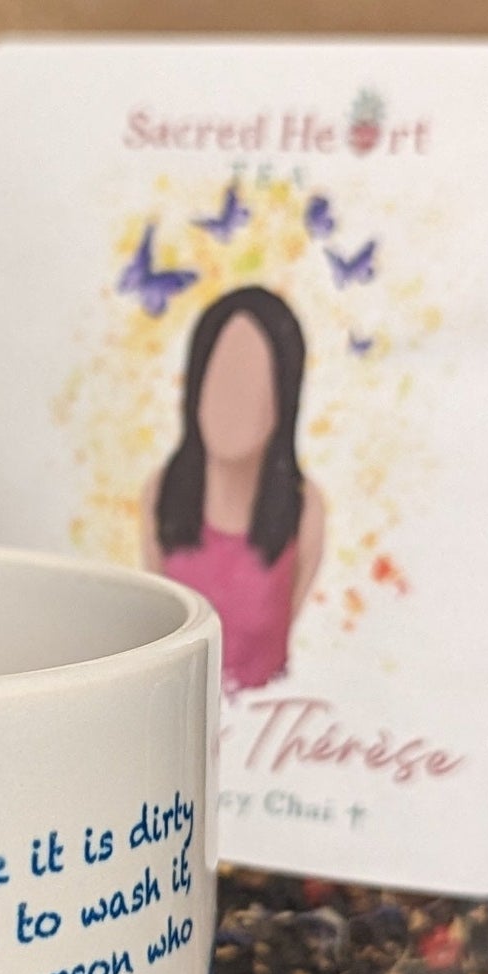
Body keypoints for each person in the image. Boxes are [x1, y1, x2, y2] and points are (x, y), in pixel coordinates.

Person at [141, 286, 325, 693]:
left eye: (252, 383)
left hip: (267, 727)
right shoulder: (161, 492)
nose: (232, 403)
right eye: (221, 378)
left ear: (284, 396)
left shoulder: (304, 506)